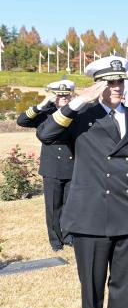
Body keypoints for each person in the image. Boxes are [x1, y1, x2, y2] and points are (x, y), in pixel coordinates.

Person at [36, 56, 128, 308]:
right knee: (92, 285)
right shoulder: (81, 115)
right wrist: (76, 103)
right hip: (90, 215)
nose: (117, 87)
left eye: (120, 81)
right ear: (98, 85)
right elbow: (45, 134)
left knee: (124, 283)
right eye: (110, 82)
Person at [17, 79, 75, 251]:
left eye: (66, 95)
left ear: (70, 95)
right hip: (52, 167)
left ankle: (68, 235)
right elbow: (21, 121)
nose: (63, 98)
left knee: (69, 205)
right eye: (59, 95)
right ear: (53, 96)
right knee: (53, 206)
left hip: (72, 165)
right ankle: (55, 240)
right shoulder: (46, 112)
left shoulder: (75, 113)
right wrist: (40, 106)